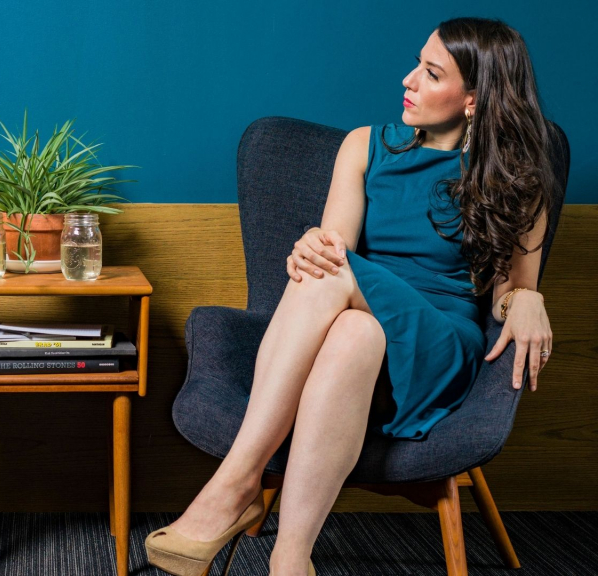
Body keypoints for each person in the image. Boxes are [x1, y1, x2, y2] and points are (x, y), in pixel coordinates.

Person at [145, 17, 556, 576]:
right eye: (417, 63)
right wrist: (308, 247)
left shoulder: (518, 179)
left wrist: (526, 298)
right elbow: (330, 247)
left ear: (474, 101)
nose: (408, 80)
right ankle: (292, 559)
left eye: (431, 73)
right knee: (350, 321)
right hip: (361, 332)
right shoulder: (364, 145)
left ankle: (235, 482)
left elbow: (510, 293)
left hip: (439, 338)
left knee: (334, 272)